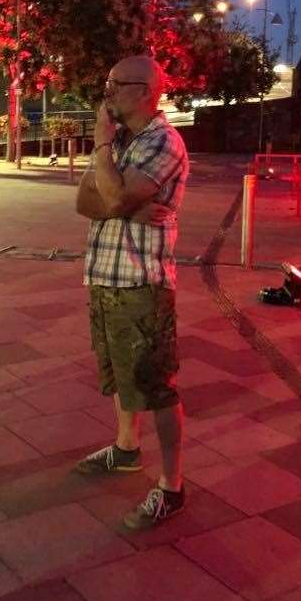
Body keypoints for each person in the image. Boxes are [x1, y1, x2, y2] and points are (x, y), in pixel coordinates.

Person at [74, 55, 189, 529]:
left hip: (141, 282)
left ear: (145, 91)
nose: (106, 93)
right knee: (121, 376)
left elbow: (115, 197)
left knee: (155, 386)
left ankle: (173, 486)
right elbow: (85, 202)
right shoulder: (121, 141)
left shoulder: (164, 141)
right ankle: (125, 449)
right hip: (104, 274)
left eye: (115, 84)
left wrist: (106, 163)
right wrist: (123, 204)